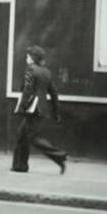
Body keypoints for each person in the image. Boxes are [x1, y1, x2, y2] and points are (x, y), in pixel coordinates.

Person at [11, 45, 67, 174]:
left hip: (32, 109)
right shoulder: (46, 72)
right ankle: (19, 166)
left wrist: (22, 106)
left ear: (33, 58)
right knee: (21, 135)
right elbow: (53, 92)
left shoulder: (31, 69)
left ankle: (59, 155)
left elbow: (28, 89)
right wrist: (56, 111)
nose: (26, 58)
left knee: (32, 138)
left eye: (28, 56)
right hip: (41, 110)